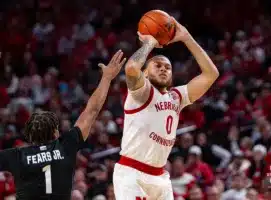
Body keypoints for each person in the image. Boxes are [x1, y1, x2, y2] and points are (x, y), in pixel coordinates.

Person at [113, 17, 219, 200]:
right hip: (132, 173)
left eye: (167, 67)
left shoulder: (176, 97)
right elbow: (131, 68)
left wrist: (187, 38)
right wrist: (150, 43)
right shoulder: (141, 92)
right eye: (157, 65)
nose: (163, 69)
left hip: (160, 176)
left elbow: (211, 74)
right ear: (145, 72)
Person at [0, 50, 126, 200]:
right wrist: (106, 78)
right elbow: (91, 111)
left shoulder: (17, 156)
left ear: (30, 137)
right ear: (55, 133)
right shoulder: (65, 146)